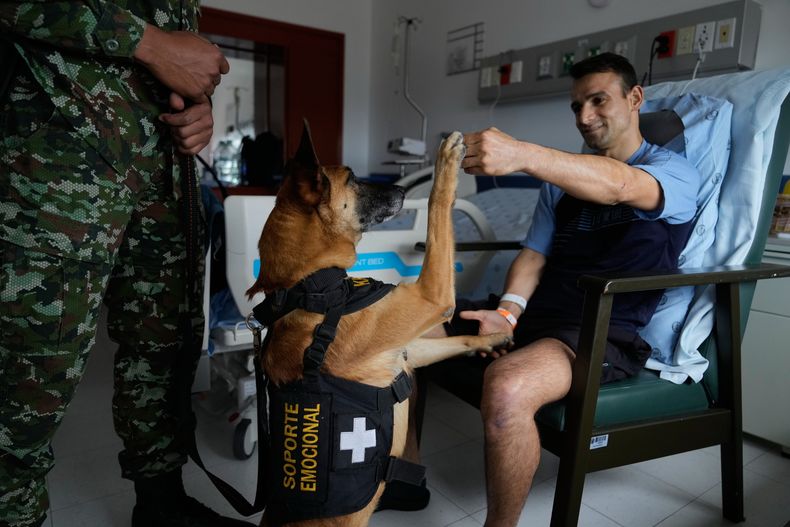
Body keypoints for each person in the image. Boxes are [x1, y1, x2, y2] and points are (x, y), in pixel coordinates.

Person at [0, 2, 255, 526]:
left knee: (164, 352)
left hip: (164, 174)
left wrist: (198, 110)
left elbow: (171, 67)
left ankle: (160, 504)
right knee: (30, 372)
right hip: (56, 160)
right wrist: (152, 45)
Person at [445, 52, 700, 526]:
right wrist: (508, 313)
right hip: (537, 316)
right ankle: (405, 474)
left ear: (635, 98)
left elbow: (621, 186)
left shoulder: (677, 174)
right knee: (405, 325)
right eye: (576, 106)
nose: (584, 117)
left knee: (506, 387)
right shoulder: (558, 186)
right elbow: (534, 255)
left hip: (599, 331)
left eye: (598, 100)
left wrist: (523, 154)